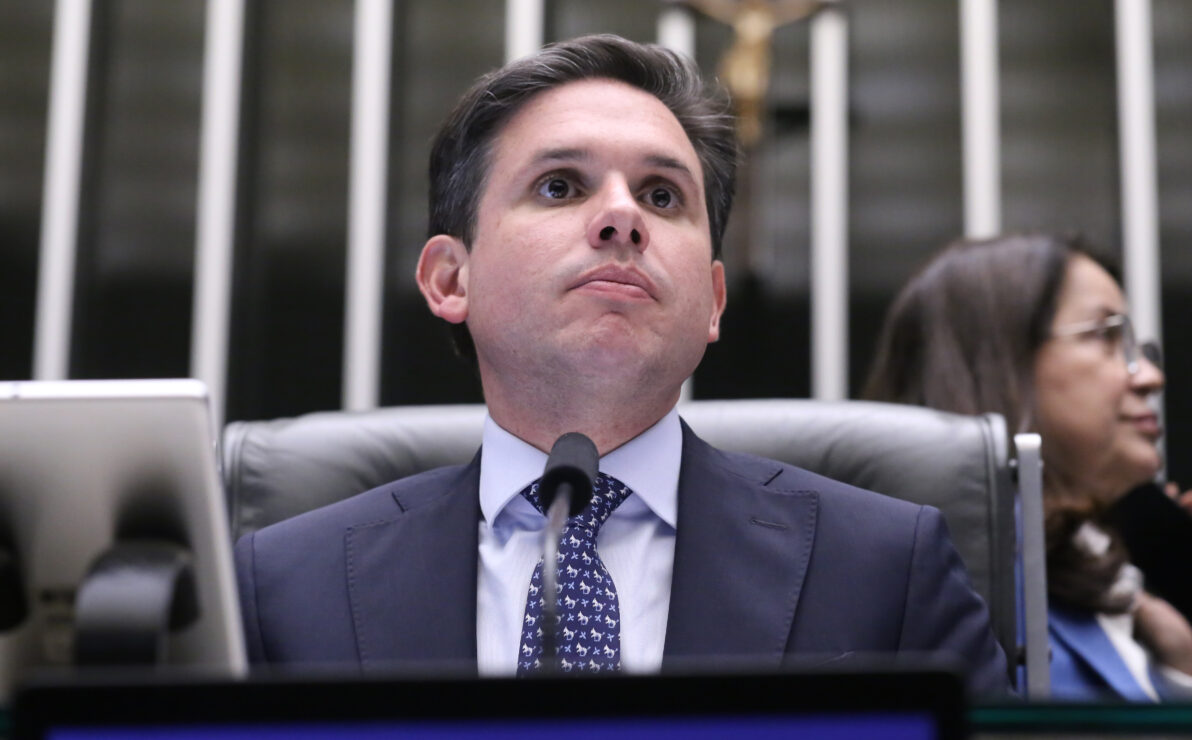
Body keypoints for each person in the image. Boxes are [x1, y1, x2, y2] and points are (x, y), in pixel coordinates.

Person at [233, 34, 1009, 695]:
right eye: (560, 186)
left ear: (712, 301)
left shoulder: (883, 569)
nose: (622, 218)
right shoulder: (287, 587)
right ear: (450, 280)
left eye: (662, 197)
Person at [863, 232, 1192, 700]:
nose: (1150, 377)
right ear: (996, 363)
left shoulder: (1111, 578)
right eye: (1105, 336)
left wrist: (1184, 674)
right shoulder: (950, 588)